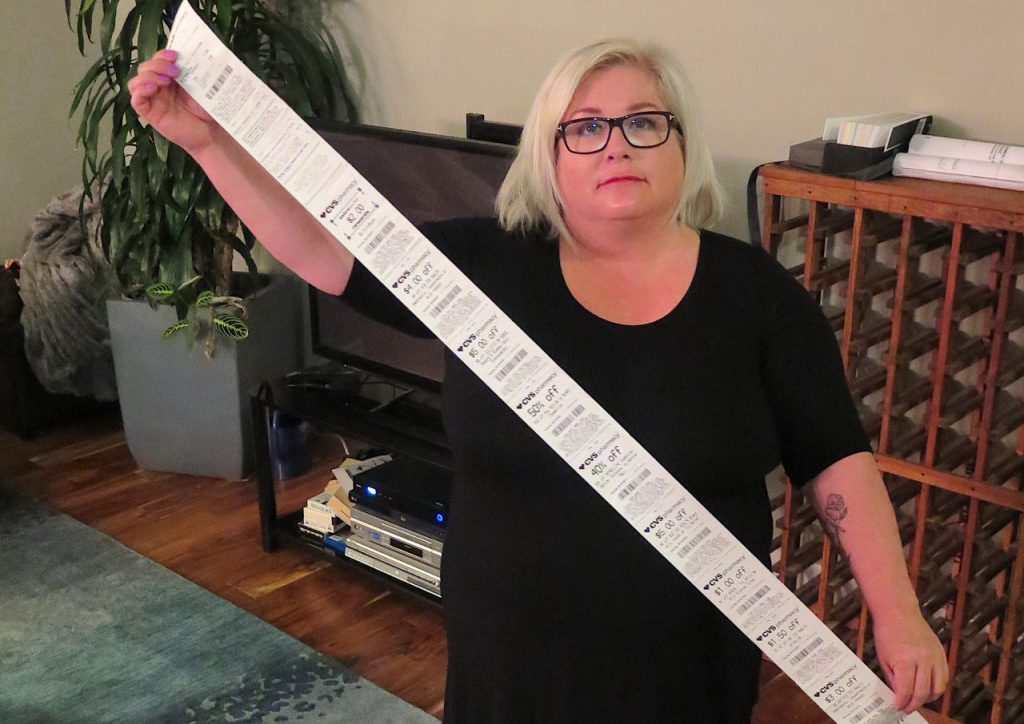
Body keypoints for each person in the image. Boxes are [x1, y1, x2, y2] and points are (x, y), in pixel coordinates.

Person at [130, 38, 948, 722]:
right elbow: (320, 251)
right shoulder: (485, 268)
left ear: (681, 143)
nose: (616, 144)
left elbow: (835, 459)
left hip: (686, 670)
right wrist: (207, 143)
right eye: (584, 127)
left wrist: (899, 615)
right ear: (549, 156)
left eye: (641, 122)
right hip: (509, 667)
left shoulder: (760, 299)